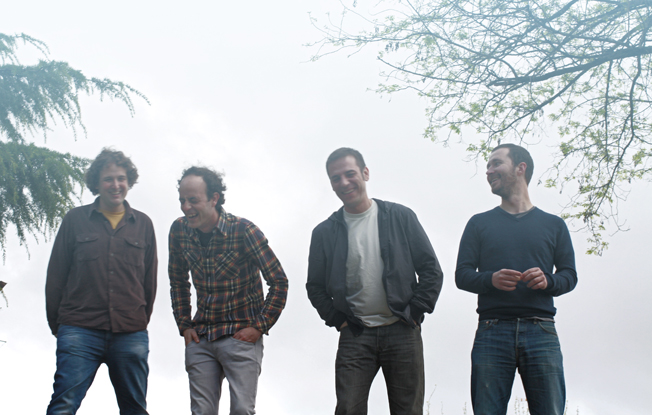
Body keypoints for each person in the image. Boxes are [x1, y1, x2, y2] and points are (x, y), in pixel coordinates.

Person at [306, 148, 443, 415]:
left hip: (403, 330)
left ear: (365, 173)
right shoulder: (324, 232)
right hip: (355, 333)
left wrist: (415, 312)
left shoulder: (400, 216)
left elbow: (430, 270)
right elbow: (315, 287)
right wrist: (337, 319)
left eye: (350, 174)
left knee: (408, 411)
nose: (344, 183)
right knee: (348, 409)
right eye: (336, 178)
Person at [455, 143, 578, 415]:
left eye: (496, 163)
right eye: (488, 166)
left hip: (542, 331)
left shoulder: (554, 225)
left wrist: (548, 281)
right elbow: (462, 275)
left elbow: (569, 276)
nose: (489, 171)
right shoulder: (478, 223)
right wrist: (491, 279)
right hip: (492, 330)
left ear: (520, 168)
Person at [168, 166, 288, 415]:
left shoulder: (244, 231)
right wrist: (185, 325)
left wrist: (259, 326)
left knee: (242, 409)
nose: (186, 207)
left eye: (193, 200)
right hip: (202, 336)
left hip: (240, 334)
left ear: (214, 198)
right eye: (182, 200)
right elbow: (178, 281)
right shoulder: (179, 231)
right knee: (202, 411)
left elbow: (279, 281)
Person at [45, 148, 157, 415]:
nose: (115, 185)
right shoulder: (75, 220)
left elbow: (149, 282)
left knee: (135, 409)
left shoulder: (143, 224)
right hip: (79, 329)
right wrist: (59, 326)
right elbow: (56, 275)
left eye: (121, 178)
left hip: (130, 332)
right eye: (108, 179)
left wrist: (139, 321)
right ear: (96, 183)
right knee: (63, 405)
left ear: (129, 182)